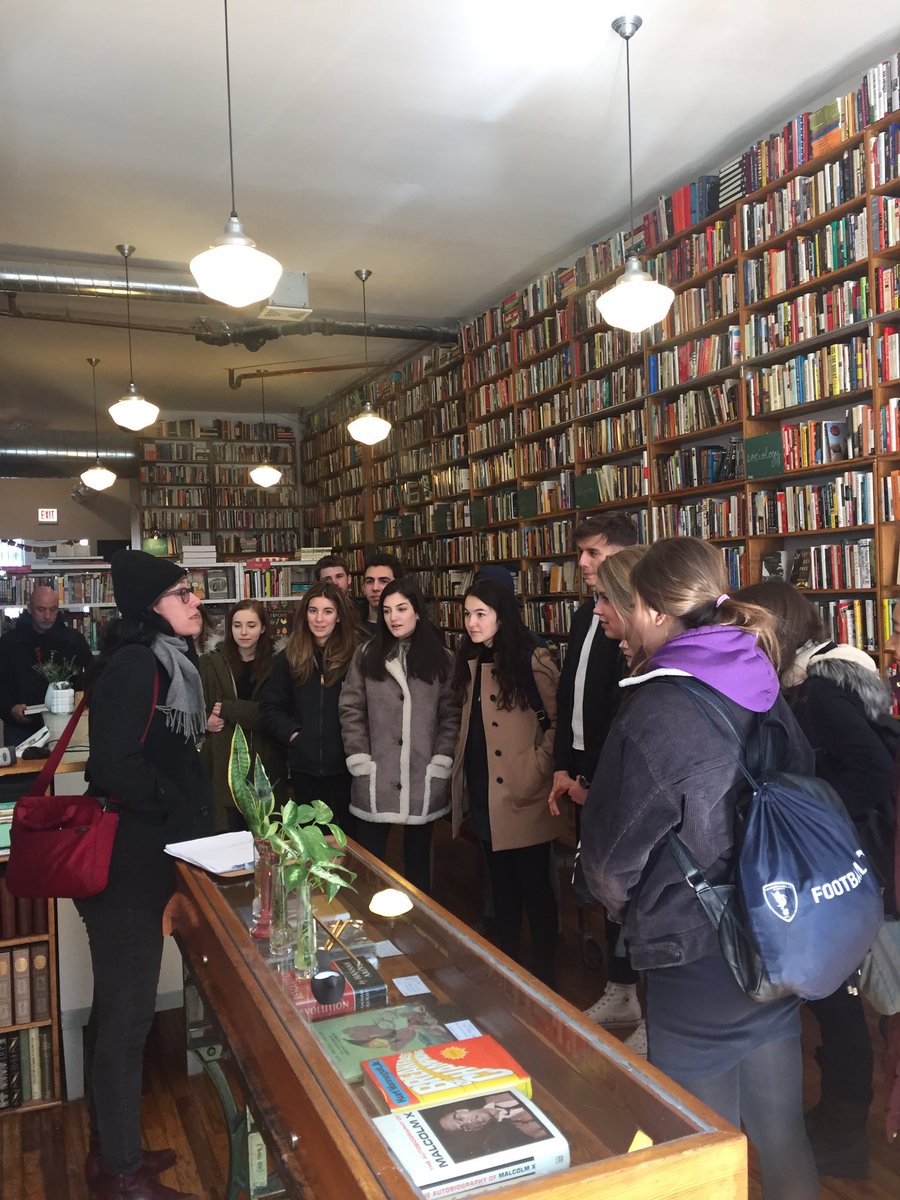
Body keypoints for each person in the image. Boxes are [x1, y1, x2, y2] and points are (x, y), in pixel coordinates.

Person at [580, 537, 818, 1200]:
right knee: (781, 1131)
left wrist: (637, 910)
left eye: (628, 605)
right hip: (776, 932)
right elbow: (803, 779)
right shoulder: (759, 676)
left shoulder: (659, 709)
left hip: (694, 947)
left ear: (656, 612)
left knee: (696, 1150)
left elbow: (609, 862)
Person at [737, 578, 898, 1181]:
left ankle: (842, 1135)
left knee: (839, 998)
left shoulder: (820, 691)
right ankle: (837, 1127)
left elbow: (874, 771)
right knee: (834, 995)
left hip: (846, 858)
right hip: (847, 855)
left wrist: (816, 820)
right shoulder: (817, 678)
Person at [78, 550, 213, 1200]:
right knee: (128, 1022)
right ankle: (121, 1173)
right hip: (126, 868)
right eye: (183, 592)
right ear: (151, 606)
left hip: (142, 859)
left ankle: (109, 1153)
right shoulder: (138, 664)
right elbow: (113, 766)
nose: (196, 601)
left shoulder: (167, 660)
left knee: (117, 1015)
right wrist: (170, 799)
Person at [545, 513, 639, 1027]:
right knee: (601, 882)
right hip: (581, 767)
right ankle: (621, 989)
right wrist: (564, 766)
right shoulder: (587, 614)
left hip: (612, 772)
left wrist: (593, 780)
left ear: (625, 555)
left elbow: (623, 708)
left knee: (629, 886)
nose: (581, 562)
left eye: (593, 553)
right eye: (580, 552)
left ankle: (643, 1000)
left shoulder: (634, 618)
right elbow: (570, 695)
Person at [450, 580, 562, 985]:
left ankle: (546, 974)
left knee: (535, 886)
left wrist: (536, 766)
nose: (471, 623)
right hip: (485, 791)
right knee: (501, 886)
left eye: (481, 614)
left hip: (523, 791)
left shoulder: (533, 659)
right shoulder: (471, 657)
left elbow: (559, 723)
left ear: (502, 616)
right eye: (467, 614)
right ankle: (510, 969)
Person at [339, 578, 461, 894]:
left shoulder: (442, 659)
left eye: (402, 609)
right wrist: (359, 757)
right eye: (387, 610)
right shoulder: (366, 654)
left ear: (418, 612)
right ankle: (369, 919)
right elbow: (351, 709)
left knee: (419, 866)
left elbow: (451, 715)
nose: (393, 617)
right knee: (370, 863)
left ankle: (419, 920)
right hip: (376, 773)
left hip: (422, 774)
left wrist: (441, 759)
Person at [579, 545, 648, 1049]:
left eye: (606, 598)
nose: (596, 609)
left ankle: (655, 1018)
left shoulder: (662, 685)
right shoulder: (637, 669)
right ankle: (627, 995)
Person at [260, 582, 362, 832]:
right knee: (313, 839)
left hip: (349, 767)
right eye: (313, 611)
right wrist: (294, 735)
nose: (319, 619)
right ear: (304, 615)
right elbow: (271, 707)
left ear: (339, 616)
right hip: (305, 768)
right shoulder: (289, 657)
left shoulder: (357, 655)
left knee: (351, 841)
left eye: (328, 611)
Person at [199, 599, 284, 831]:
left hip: (266, 761)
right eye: (237, 625)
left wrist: (228, 708)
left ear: (263, 628)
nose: (244, 632)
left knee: (265, 834)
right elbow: (195, 708)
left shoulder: (279, 663)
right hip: (223, 762)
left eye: (251, 625)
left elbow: (272, 716)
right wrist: (205, 721)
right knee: (226, 834)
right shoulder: (210, 662)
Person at [0, 583, 93, 744]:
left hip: (65, 722)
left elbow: (91, 676)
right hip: (21, 726)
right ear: (30, 608)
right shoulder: (10, 642)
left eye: (53, 609)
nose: (48, 616)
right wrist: (10, 707)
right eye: (41, 609)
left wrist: (81, 701)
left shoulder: (73, 640)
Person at [356, 551, 404, 633]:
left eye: (384, 581)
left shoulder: (406, 625)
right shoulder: (352, 625)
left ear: (398, 585)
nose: (375, 588)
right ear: (363, 587)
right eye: (369, 582)